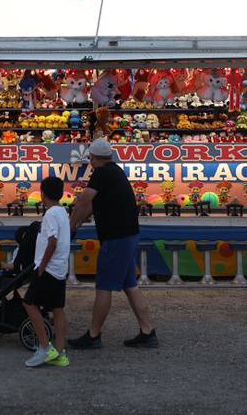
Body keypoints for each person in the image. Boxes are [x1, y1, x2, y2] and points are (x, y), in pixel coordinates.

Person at [68, 138, 157, 349]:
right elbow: (92, 205)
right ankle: (147, 331)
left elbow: (84, 201)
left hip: (116, 238)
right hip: (127, 234)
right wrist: (78, 221)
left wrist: (71, 226)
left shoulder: (102, 173)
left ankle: (93, 335)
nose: (90, 161)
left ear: (94, 158)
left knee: (104, 286)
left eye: (90, 158)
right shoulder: (115, 171)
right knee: (129, 285)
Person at [23, 176, 71, 368]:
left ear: (43, 194)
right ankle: (60, 352)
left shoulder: (51, 214)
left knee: (29, 303)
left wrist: (42, 266)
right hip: (60, 268)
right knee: (57, 309)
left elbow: (52, 242)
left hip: (49, 269)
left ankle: (45, 347)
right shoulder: (62, 212)